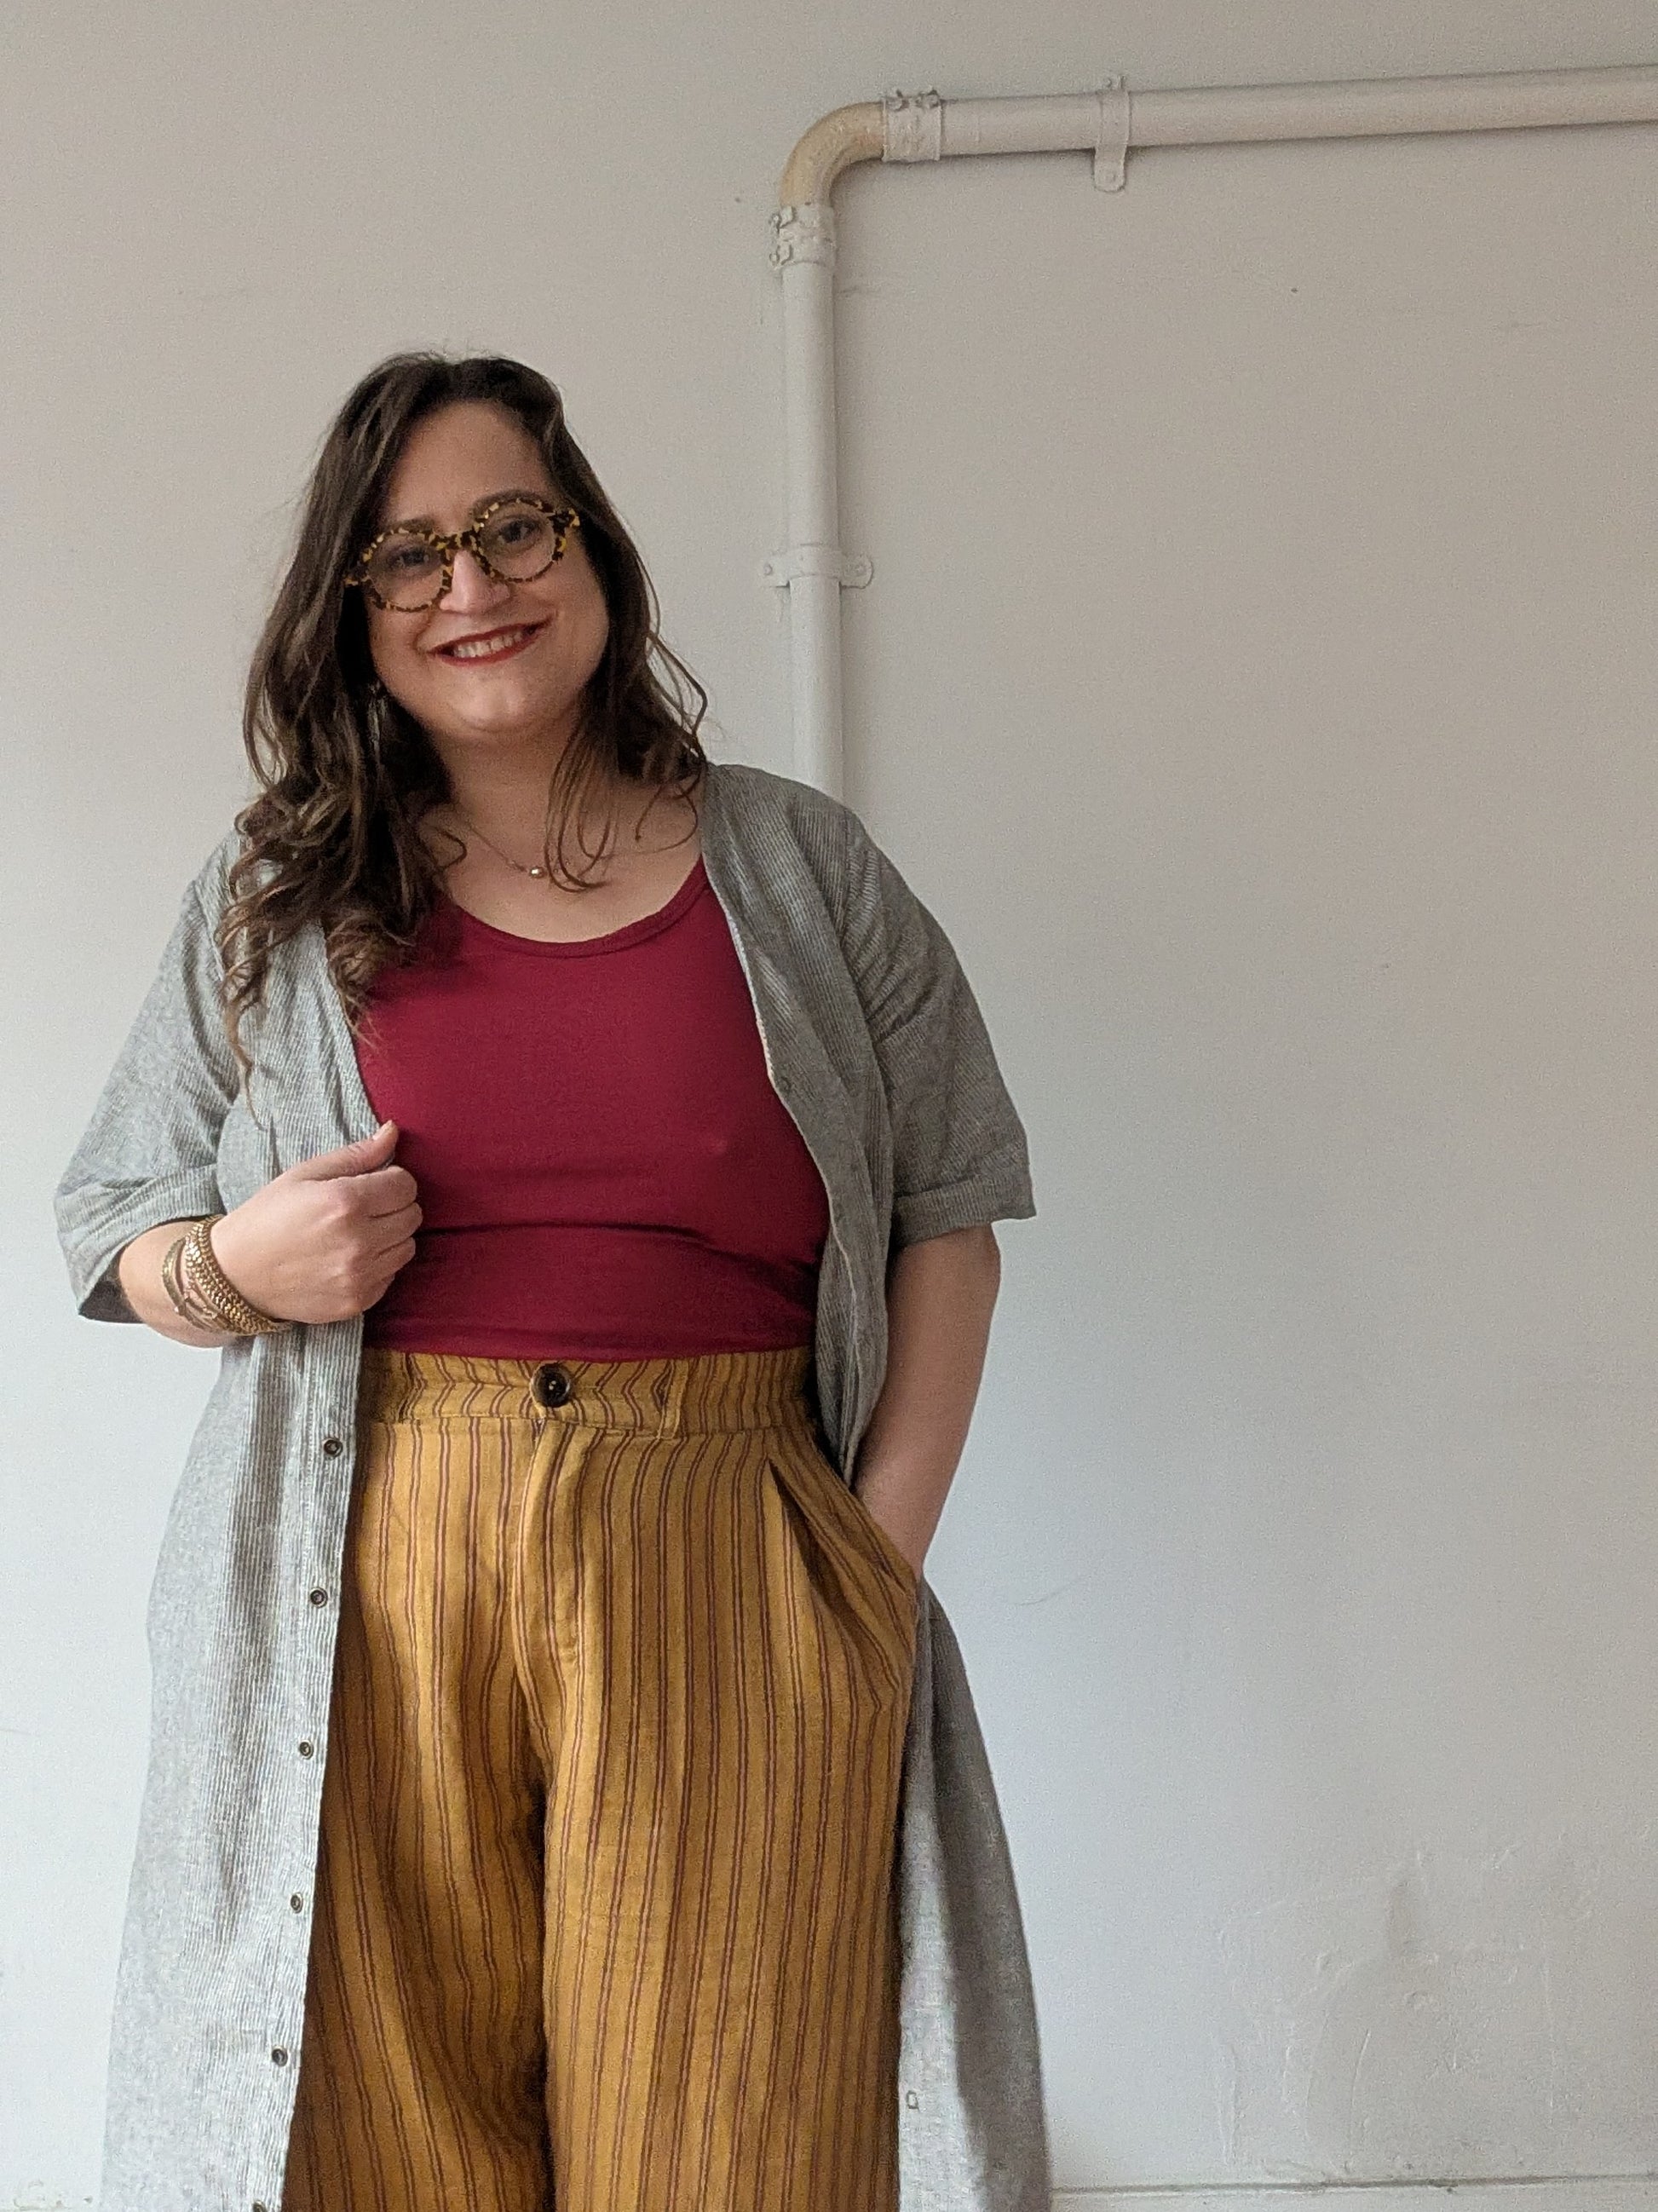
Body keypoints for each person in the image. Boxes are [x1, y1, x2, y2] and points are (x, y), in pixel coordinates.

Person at [54, 351, 1051, 2212]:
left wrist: (868, 1571)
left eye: (513, 526)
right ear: (353, 609)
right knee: (371, 2135)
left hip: (731, 1550)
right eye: (407, 552)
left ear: (591, 546)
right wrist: (236, 1267)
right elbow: (107, 1214)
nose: (471, 584)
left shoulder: (800, 866)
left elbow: (949, 1211)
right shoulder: (277, 888)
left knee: (729, 2132)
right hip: (362, 1569)